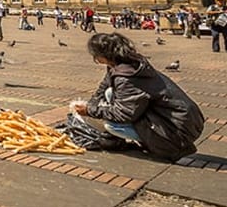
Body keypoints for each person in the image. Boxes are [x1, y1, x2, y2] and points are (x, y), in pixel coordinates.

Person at [73, 32, 204, 161]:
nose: (95, 59)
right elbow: (103, 87)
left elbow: (123, 114)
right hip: (183, 119)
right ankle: (145, 137)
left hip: (178, 129)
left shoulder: (126, 77)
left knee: (112, 126)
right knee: (109, 93)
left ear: (103, 55)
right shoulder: (125, 63)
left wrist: (89, 110)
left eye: (95, 55)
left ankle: (164, 146)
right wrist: (91, 104)